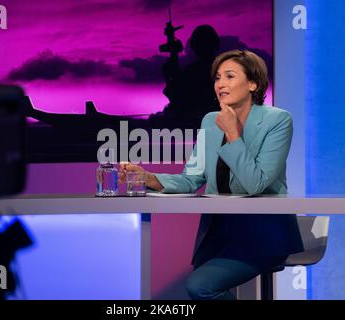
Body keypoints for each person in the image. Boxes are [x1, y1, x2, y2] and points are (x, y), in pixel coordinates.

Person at [119, 50, 303, 300]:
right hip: (220, 230)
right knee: (202, 287)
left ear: (253, 84)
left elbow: (256, 183)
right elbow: (192, 179)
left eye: (229, 76)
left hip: (264, 230)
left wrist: (233, 135)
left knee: (200, 286)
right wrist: (149, 178)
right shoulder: (210, 121)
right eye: (217, 78)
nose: (221, 84)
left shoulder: (278, 120)